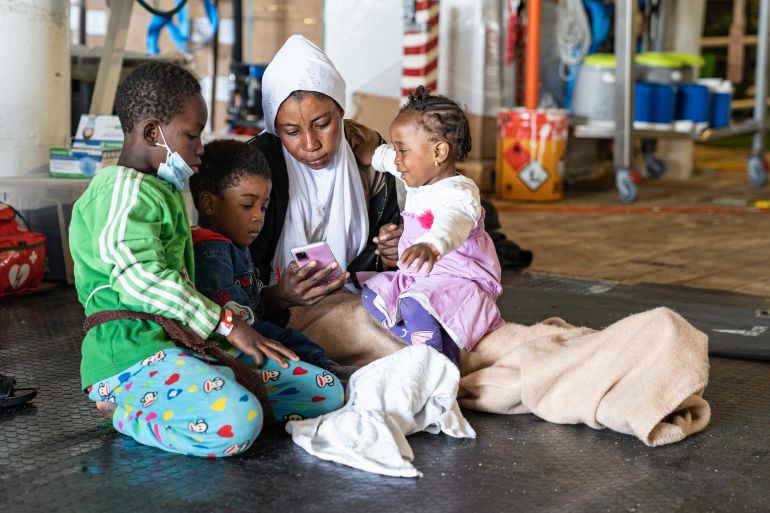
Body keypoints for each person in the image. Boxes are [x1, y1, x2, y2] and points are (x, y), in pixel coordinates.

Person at [68, 62, 343, 458]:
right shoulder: (119, 193)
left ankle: (200, 395)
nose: (200, 149)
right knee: (238, 424)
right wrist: (227, 325)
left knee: (323, 392)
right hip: (130, 356)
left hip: (185, 347)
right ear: (152, 133)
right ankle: (123, 412)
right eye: (193, 136)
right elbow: (138, 277)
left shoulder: (160, 191)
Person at [248, 35, 531, 327]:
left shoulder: (366, 153)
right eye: (291, 131)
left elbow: (395, 246)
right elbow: (230, 279)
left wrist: (389, 253)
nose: (310, 144)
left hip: (356, 299)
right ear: (274, 127)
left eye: (322, 125)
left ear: (341, 112)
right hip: (276, 308)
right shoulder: (256, 168)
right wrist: (279, 295)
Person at [359, 86, 505, 366]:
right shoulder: (416, 170)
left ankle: (437, 364)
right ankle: (422, 340)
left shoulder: (459, 193)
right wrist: (355, 152)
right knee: (372, 293)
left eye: (402, 150)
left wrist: (432, 244)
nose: (397, 158)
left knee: (414, 303)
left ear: (439, 151)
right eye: (396, 148)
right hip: (420, 277)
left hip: (460, 280)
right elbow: (381, 156)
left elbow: (454, 223)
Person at [189, 138, 336, 372]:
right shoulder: (210, 252)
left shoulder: (233, 244)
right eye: (247, 205)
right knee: (299, 348)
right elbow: (233, 315)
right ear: (208, 203)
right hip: (237, 343)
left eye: (264, 207)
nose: (259, 217)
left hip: (253, 329)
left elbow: (251, 302)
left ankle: (326, 369)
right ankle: (327, 372)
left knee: (304, 345)